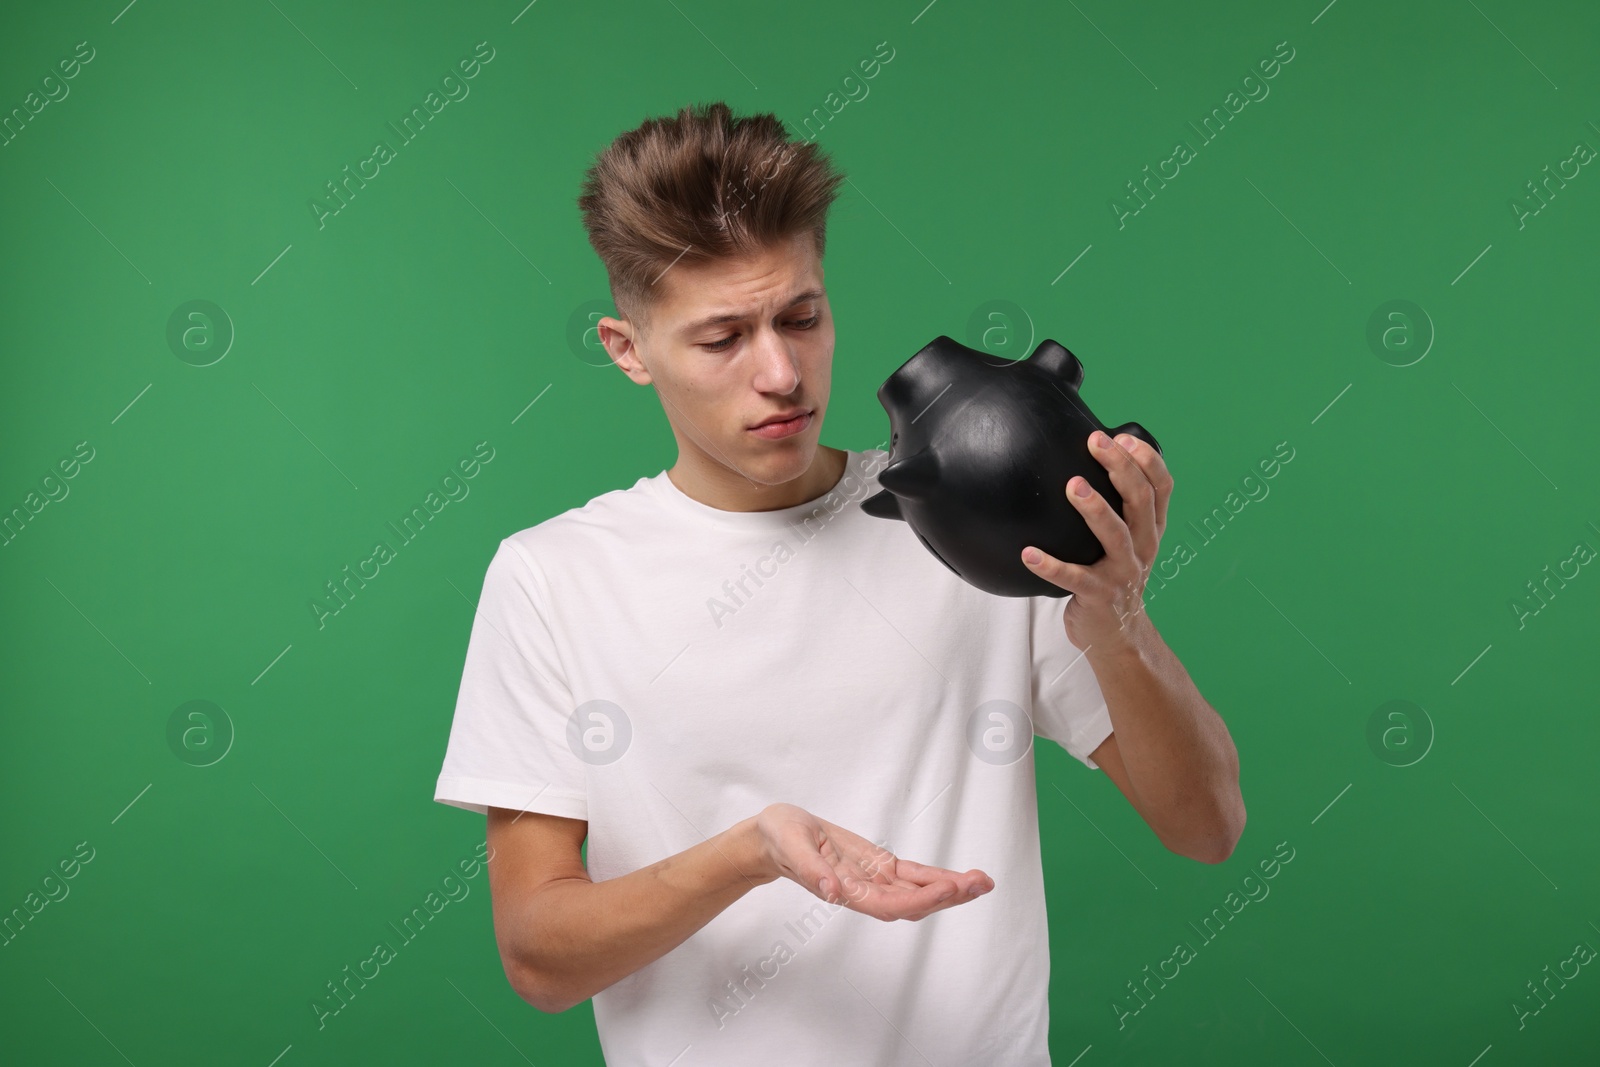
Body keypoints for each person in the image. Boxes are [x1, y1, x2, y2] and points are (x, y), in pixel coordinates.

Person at [434, 100, 1244, 1065]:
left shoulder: (968, 532)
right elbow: (540, 960)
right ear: (628, 348)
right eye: (722, 337)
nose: (781, 371)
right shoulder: (553, 578)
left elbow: (1208, 825)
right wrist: (753, 853)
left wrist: (1117, 616)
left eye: (801, 317)